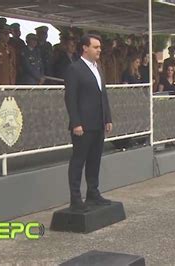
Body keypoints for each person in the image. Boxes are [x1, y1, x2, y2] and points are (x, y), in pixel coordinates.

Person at [64, 34, 113, 212]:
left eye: (99, 47)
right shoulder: (74, 69)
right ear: (85, 48)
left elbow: (103, 95)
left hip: (98, 123)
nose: (99, 50)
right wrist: (76, 122)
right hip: (82, 125)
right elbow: (70, 98)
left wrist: (107, 118)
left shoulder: (98, 68)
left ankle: (93, 193)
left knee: (94, 160)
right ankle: (76, 199)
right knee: (78, 161)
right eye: (95, 47)